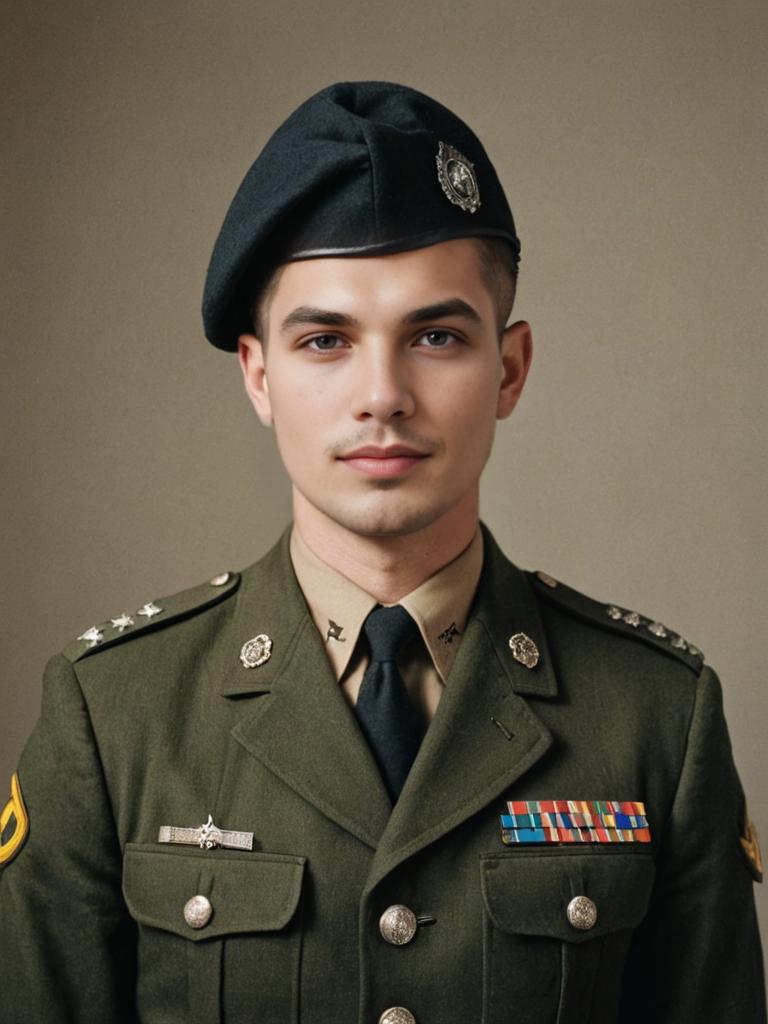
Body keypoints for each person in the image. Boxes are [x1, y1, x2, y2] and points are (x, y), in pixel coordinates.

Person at [0, 81, 764, 1024]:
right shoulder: (114, 714)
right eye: (325, 340)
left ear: (510, 369)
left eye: (436, 336)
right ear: (259, 375)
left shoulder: (655, 715)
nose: (382, 395)